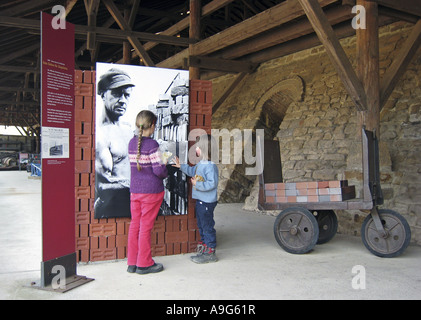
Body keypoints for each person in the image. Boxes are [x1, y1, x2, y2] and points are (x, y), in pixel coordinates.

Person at [127, 110, 168, 274]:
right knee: (145, 228)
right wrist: (165, 164)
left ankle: (132, 262)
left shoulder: (131, 143)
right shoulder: (152, 145)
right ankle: (144, 263)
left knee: (134, 226)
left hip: (135, 192)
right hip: (151, 192)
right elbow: (159, 171)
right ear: (152, 125)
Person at [94, 68, 135, 218]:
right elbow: (102, 186)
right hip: (112, 209)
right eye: (117, 94)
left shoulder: (128, 129)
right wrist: (140, 184)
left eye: (127, 95)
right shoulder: (100, 134)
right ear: (103, 94)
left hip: (133, 204)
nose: (123, 100)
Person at [173, 134, 219, 264]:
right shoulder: (201, 164)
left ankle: (210, 251)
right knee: (202, 224)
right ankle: (205, 248)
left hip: (207, 202)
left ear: (204, 149)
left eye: (197, 147)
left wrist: (196, 184)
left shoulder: (210, 166)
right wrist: (181, 166)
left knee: (207, 225)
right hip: (201, 201)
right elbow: (192, 171)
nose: (196, 149)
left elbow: (212, 184)